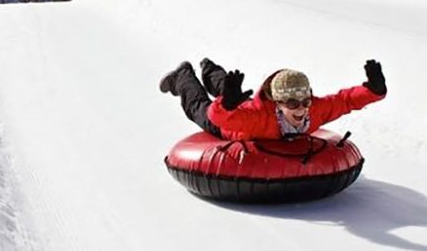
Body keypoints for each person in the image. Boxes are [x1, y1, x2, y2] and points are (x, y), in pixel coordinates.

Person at [158, 57, 387, 140]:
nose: (301, 109)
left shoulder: (313, 110)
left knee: (230, 89)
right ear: (277, 103)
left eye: (305, 101)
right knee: (199, 106)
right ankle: (183, 75)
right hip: (228, 125)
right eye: (292, 103)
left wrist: (373, 90)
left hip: (239, 107)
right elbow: (217, 117)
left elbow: (343, 101)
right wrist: (227, 106)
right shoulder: (257, 119)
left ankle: (209, 69)